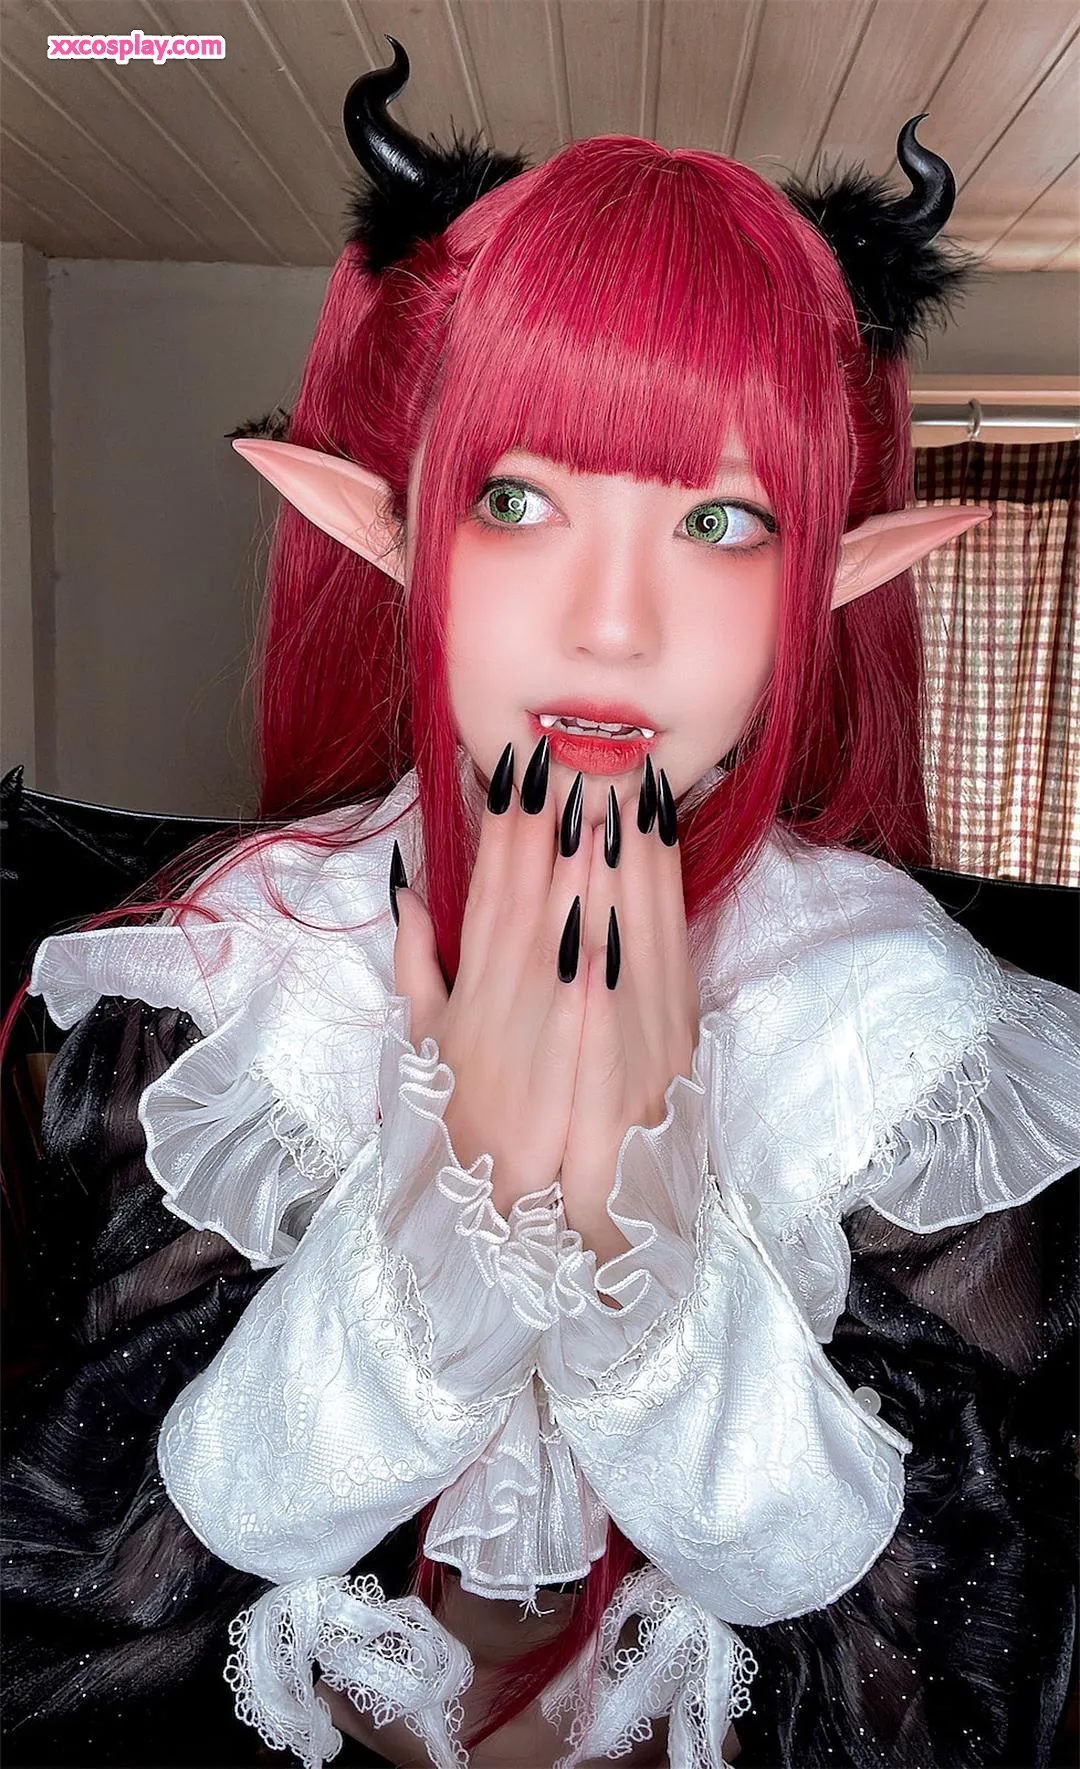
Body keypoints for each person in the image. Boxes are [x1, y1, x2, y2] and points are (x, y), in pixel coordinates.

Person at [4, 37, 1078, 1769]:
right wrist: (443, 1235)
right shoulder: (234, 983)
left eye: (721, 522)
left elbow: (949, 1688)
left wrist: (651, 1275)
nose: (613, 626)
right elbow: (83, 1593)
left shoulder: (903, 1041)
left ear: (833, 577)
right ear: (393, 528)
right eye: (518, 500)